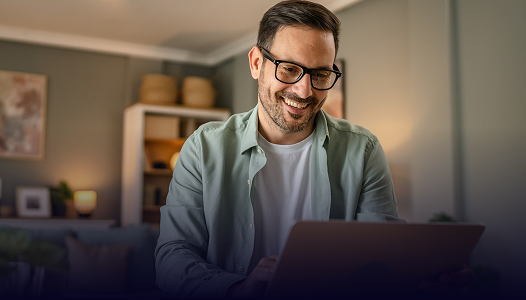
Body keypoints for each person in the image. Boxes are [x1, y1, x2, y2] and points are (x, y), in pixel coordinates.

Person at [155, 1, 474, 299]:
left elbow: (380, 262)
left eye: (320, 73)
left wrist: (421, 281)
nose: (304, 90)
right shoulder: (203, 147)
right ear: (256, 63)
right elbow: (172, 258)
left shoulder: (363, 151)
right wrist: (241, 288)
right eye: (289, 68)